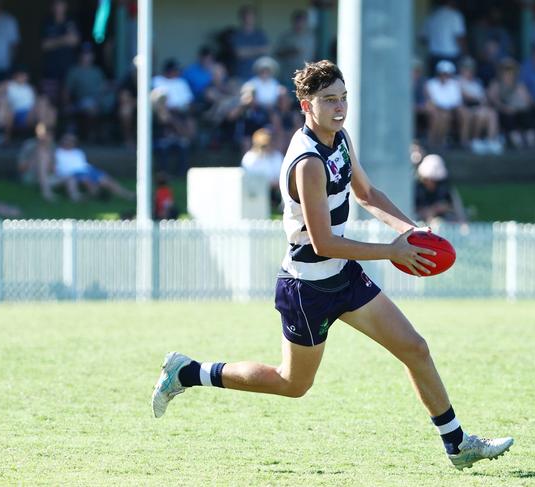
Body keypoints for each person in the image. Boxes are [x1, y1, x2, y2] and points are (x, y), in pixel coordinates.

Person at [151, 59, 514, 470]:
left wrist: (410, 231)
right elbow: (323, 243)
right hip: (307, 288)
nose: (339, 107)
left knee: (414, 347)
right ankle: (188, 373)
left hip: (343, 276)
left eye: (343, 98)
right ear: (307, 106)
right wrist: (392, 251)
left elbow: (367, 193)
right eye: (328, 100)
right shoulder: (307, 162)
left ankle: (457, 443)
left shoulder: (339, 139)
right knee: (293, 384)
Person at [54, 132, 134, 202]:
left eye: (72, 140)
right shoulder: (57, 152)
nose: (69, 142)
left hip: (87, 170)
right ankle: (97, 196)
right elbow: (59, 168)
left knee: (107, 180)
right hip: (73, 173)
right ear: (62, 140)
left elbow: (83, 164)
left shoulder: (78, 152)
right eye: (67, 139)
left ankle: (128, 195)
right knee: (88, 182)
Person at [487, 57, 535, 149]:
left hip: (519, 112)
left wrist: (518, 105)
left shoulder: (519, 85)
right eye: (505, 69)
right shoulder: (496, 84)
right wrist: (505, 108)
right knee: (508, 118)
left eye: (510, 69)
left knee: (527, 116)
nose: (508, 72)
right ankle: (517, 143)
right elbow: (493, 100)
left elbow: (528, 101)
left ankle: (531, 142)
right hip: (504, 113)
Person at [457, 57, 502, 154]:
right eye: (466, 68)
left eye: (471, 68)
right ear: (461, 69)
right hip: (466, 108)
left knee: (492, 113)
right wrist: (478, 99)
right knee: (481, 114)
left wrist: (482, 101)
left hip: (479, 107)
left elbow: (484, 99)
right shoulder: (458, 81)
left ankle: (491, 141)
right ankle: (475, 140)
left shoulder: (477, 82)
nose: (469, 70)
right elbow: (465, 96)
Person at [424, 60, 470, 149]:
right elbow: (432, 100)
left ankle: (464, 141)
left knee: (464, 113)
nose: (445, 76)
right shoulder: (431, 84)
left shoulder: (454, 84)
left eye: (447, 74)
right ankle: (434, 141)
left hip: (451, 110)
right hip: (437, 109)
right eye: (443, 73)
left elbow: (456, 102)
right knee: (441, 115)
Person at [414, 153, 466, 224]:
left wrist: (444, 207)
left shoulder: (445, 189)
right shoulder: (416, 190)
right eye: (428, 179)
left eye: (434, 180)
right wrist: (430, 211)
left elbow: (458, 211)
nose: (431, 182)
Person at [419, 0, 465, 74]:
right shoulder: (455, 15)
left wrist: (434, 41)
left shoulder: (432, 15)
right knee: (451, 83)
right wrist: (464, 53)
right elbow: (459, 38)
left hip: (434, 56)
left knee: (434, 83)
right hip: (451, 56)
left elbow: (422, 38)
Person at [241, 128, 283, 207]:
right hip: (255, 191)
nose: (268, 147)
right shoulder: (249, 158)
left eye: (270, 143)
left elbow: (282, 177)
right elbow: (248, 180)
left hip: (275, 190)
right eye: (264, 145)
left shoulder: (278, 156)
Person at [18, 122, 59, 201]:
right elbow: (21, 168)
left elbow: (53, 169)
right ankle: (46, 193)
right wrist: (35, 156)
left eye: (47, 133)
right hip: (30, 176)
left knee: (70, 177)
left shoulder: (52, 146)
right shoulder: (29, 144)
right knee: (41, 155)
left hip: (49, 177)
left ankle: (75, 196)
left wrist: (48, 152)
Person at [274, 9, 315, 86]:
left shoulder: (311, 37)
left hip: (306, 76)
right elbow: (276, 52)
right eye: (298, 21)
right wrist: (289, 51)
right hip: (288, 75)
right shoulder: (286, 36)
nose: (300, 24)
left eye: (302, 21)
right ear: (293, 22)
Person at [229, 5, 269, 81]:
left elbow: (266, 50)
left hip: (259, 76)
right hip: (241, 75)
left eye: (251, 15)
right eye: (246, 15)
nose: (248, 18)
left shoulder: (260, 34)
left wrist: (247, 51)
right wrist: (258, 50)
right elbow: (239, 53)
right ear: (241, 17)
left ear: (254, 17)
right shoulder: (236, 35)